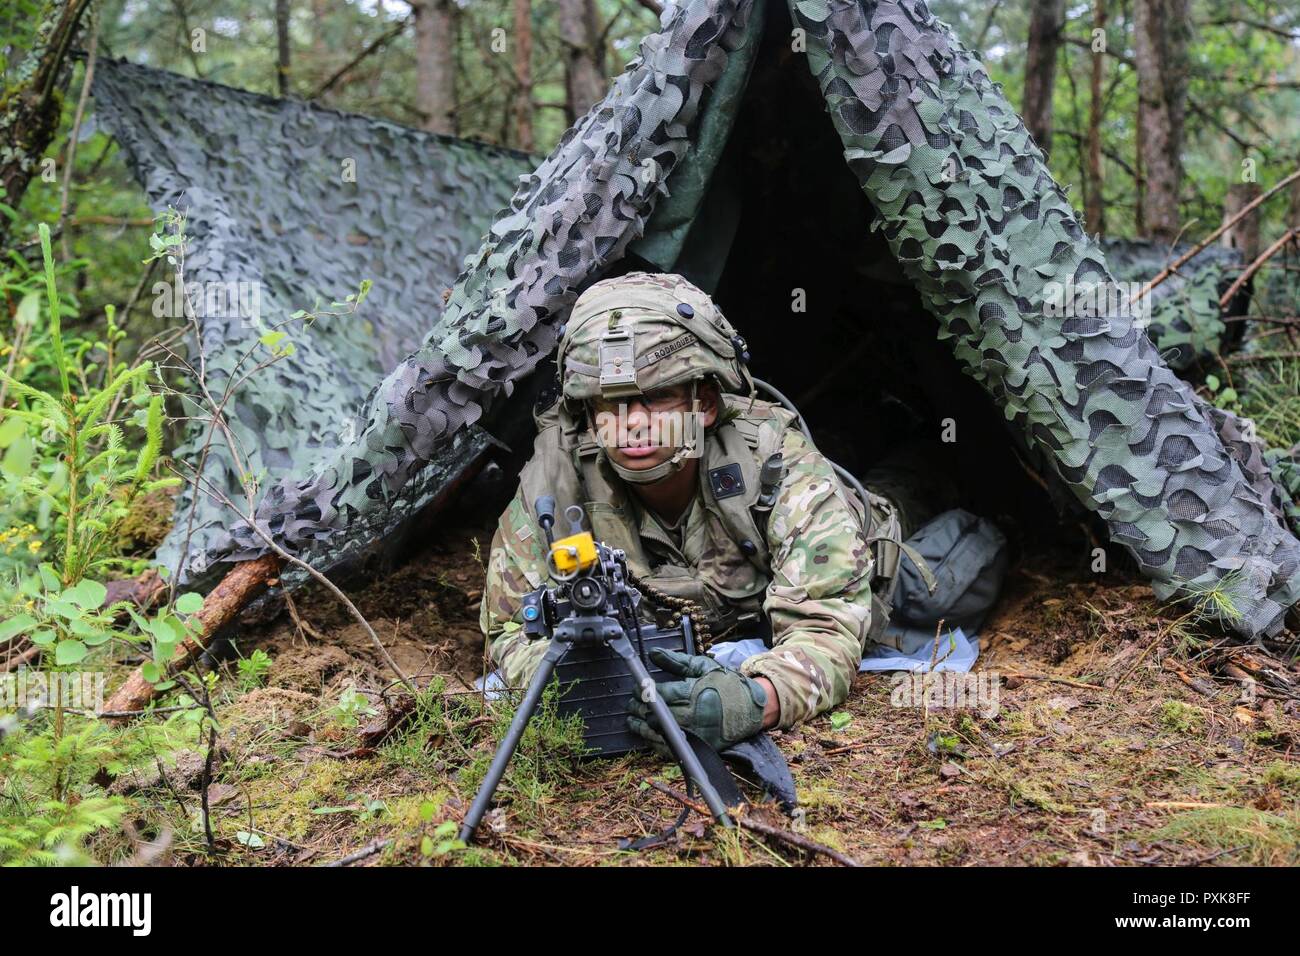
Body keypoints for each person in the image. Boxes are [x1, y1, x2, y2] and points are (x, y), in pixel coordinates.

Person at [479, 271, 905, 753]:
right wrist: (577, 686)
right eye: (611, 402)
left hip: (862, 536)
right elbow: (509, 628)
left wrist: (754, 699)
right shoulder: (556, 484)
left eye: (658, 397)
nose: (633, 424)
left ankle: (902, 432)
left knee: (934, 549)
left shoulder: (774, 462)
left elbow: (828, 626)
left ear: (703, 403)